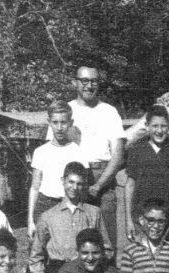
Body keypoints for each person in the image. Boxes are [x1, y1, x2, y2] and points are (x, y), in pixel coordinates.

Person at [46, 66, 125, 249]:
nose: (89, 85)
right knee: (71, 237)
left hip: (102, 180)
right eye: (84, 81)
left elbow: (118, 155)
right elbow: (52, 150)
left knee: (105, 241)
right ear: (75, 82)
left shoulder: (109, 111)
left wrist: (98, 186)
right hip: (72, 181)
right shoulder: (65, 111)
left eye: (94, 81)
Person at [29, 161, 112, 273]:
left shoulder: (94, 213)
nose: (74, 188)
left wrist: (95, 272)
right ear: (63, 181)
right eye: (71, 182)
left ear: (84, 185)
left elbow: (107, 250)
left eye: (79, 184)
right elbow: (36, 256)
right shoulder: (48, 216)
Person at [125, 105, 169, 240]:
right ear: (147, 126)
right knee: (143, 252)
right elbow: (130, 184)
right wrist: (129, 220)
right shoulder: (136, 150)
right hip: (142, 218)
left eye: (163, 126)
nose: (159, 131)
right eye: (155, 126)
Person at [27, 101, 88, 236]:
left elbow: (83, 188)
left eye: (63, 122)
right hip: (44, 205)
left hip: (69, 205)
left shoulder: (78, 152)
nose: (59, 128)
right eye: (55, 122)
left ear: (70, 123)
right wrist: (30, 220)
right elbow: (35, 187)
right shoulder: (41, 151)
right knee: (40, 246)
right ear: (49, 122)